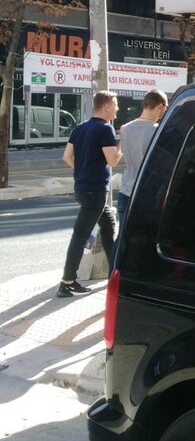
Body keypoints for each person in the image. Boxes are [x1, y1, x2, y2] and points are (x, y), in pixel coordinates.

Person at [57, 90, 121, 298]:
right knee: (80, 235)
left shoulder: (80, 127)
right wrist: (123, 142)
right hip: (96, 191)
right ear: (107, 106)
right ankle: (67, 282)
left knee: (108, 225)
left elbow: (67, 156)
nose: (118, 109)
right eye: (116, 104)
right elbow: (113, 160)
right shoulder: (105, 128)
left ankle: (115, 273)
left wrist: (82, 170)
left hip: (83, 188)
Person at [116, 89, 168, 239]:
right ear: (160, 106)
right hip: (148, 195)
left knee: (123, 240)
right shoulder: (158, 131)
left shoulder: (125, 128)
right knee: (145, 241)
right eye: (165, 108)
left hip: (126, 192)